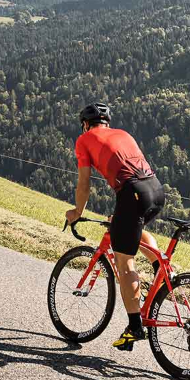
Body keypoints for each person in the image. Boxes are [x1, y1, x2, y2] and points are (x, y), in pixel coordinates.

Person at [64, 102, 165, 351]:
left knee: (124, 261)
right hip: (156, 190)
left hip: (132, 194)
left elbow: (84, 184)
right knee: (134, 231)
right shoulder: (123, 134)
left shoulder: (84, 139)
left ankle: (134, 327)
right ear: (107, 122)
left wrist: (77, 212)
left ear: (86, 124)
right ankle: (160, 271)